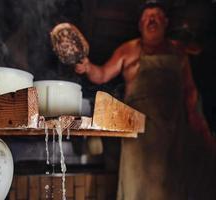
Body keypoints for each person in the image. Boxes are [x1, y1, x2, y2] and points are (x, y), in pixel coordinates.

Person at [75, 1, 215, 200]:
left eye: (156, 16)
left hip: (172, 139)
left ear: (165, 22)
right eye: (146, 17)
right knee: (138, 191)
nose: (151, 20)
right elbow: (102, 74)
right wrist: (88, 67)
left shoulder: (179, 53)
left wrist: (200, 130)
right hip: (139, 141)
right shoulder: (128, 50)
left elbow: (190, 92)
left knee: (174, 191)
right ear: (140, 25)